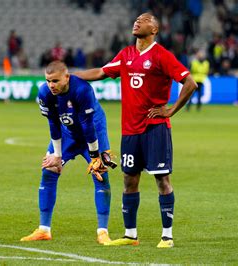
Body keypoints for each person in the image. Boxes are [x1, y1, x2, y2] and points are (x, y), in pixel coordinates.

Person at [74, 13, 197, 248]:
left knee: (162, 179)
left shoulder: (162, 55)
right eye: (137, 19)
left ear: (155, 30)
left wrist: (170, 110)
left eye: (145, 19)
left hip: (155, 129)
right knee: (130, 180)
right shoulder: (126, 54)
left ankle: (167, 236)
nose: (138, 21)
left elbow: (190, 83)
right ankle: (131, 235)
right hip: (130, 131)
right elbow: (100, 72)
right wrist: (70, 77)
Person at [20, 61, 117, 244]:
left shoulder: (82, 89)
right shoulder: (44, 93)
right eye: (48, 81)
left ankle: (102, 231)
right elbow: (53, 124)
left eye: (55, 81)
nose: (51, 85)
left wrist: (96, 156)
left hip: (94, 132)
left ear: (67, 77)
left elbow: (89, 127)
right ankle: (44, 230)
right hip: (67, 133)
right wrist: (56, 155)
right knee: (49, 171)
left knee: (100, 174)